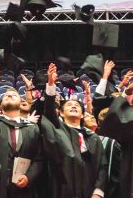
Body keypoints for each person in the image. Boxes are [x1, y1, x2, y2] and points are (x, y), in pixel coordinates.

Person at [38, 63, 108, 198]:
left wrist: (98, 192)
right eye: (69, 105)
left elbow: (102, 166)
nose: (74, 106)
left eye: (77, 105)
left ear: (82, 115)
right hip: (62, 189)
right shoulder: (58, 130)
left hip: (89, 190)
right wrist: (51, 84)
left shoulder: (93, 137)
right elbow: (49, 111)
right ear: (61, 113)